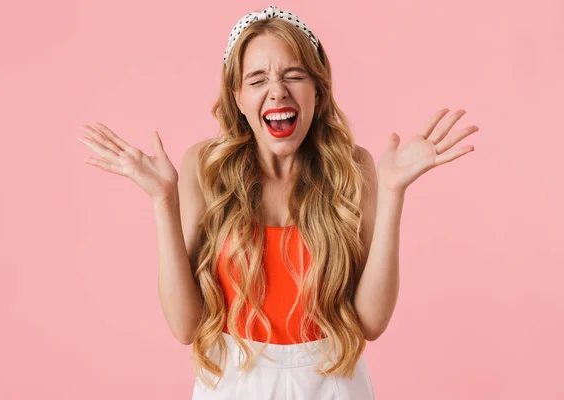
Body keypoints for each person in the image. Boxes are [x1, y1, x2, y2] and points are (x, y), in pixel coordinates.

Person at [78, 4, 480, 399]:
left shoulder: (351, 167)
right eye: (257, 80)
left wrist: (393, 193)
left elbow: (370, 323)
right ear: (236, 97)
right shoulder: (205, 167)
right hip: (234, 384)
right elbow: (185, 327)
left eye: (294, 75)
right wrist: (162, 200)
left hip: (334, 383)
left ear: (318, 91)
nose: (277, 91)